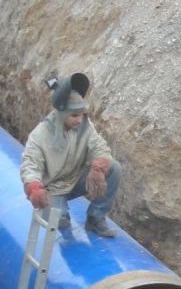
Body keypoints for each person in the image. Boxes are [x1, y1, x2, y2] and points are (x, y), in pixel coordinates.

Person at [19, 77, 120, 237]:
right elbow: (30, 164)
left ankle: (95, 218)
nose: (80, 120)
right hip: (52, 188)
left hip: (75, 179)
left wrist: (98, 166)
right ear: (62, 114)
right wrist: (34, 188)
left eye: (82, 114)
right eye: (74, 115)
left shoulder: (84, 126)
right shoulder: (41, 135)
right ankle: (61, 213)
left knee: (114, 168)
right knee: (59, 222)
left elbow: (98, 145)